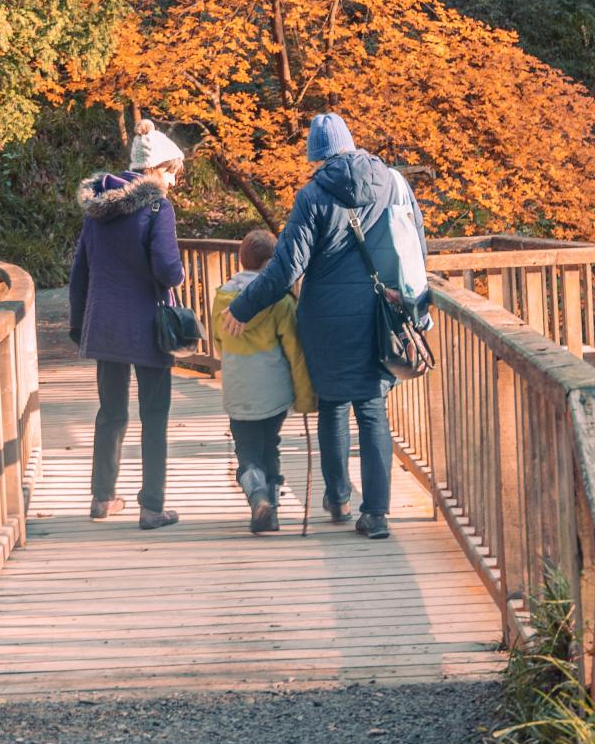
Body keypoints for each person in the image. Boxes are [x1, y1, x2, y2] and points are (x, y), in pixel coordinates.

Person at [219, 112, 428, 540]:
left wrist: (242, 307)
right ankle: (377, 514)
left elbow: (285, 268)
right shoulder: (391, 182)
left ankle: (338, 498)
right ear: (351, 143)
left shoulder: (312, 196)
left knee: (333, 405)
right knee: (372, 410)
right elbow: (415, 245)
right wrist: (417, 307)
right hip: (377, 315)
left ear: (316, 155)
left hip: (326, 320)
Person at [68, 118, 187, 529]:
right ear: (160, 169)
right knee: (154, 416)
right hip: (149, 326)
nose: (174, 182)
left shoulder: (97, 210)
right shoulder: (157, 207)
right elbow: (168, 268)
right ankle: (152, 506)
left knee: (111, 413)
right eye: (173, 172)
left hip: (104, 324)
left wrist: (77, 323)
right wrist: (179, 276)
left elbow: (80, 270)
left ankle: (102, 498)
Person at [212, 228, 316, 534]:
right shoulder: (281, 302)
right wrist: (306, 396)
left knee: (247, 451)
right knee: (270, 446)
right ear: (273, 262)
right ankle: (271, 508)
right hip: (274, 394)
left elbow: (219, 340)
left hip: (238, 390)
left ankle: (257, 496)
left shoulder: (221, 298)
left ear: (241, 260)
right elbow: (295, 352)